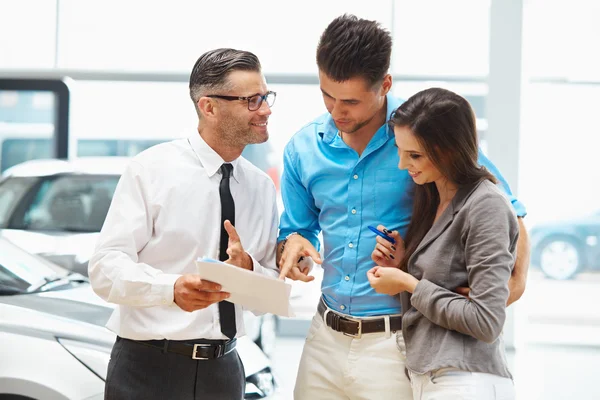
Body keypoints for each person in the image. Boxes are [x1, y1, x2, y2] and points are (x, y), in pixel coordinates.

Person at [276, 14, 529, 400]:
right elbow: (298, 229)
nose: (336, 111)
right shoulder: (302, 148)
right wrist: (292, 244)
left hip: (399, 338)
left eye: (350, 101)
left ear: (385, 85)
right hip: (324, 336)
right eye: (327, 95)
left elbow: (509, 211)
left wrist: (511, 287)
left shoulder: (422, 137)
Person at [88, 48, 279, 400]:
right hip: (147, 370)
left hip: (224, 372)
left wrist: (250, 270)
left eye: (266, 97)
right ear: (209, 107)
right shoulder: (150, 170)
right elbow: (104, 269)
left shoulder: (261, 188)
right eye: (252, 100)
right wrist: (171, 289)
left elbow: (268, 298)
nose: (265, 110)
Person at [367, 87, 518, 399]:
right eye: (400, 150)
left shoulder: (486, 205)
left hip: (465, 379)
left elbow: (486, 321)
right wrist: (402, 264)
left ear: (449, 149)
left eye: (415, 155)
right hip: (434, 377)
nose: (401, 165)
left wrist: (409, 283)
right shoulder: (434, 197)